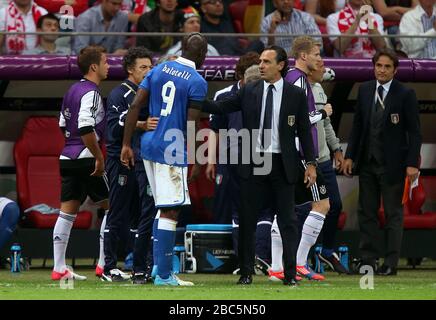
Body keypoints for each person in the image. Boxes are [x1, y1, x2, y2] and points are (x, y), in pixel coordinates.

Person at [202, 45, 317, 286]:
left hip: (282, 164)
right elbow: (222, 107)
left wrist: (311, 163)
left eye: (266, 62)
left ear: (281, 65)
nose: (261, 66)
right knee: (247, 219)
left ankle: (289, 275)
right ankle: (246, 273)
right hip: (254, 163)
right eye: (261, 61)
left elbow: (305, 131)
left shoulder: (294, 94)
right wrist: (193, 100)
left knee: (287, 221)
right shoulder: (250, 89)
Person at [121, 32, 208, 286]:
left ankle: (160, 267)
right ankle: (165, 275)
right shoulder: (197, 80)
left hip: (147, 145)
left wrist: (127, 143)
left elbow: (135, 106)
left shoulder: (159, 69)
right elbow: (191, 124)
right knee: (171, 210)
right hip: (171, 148)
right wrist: (196, 157)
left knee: (162, 207)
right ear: (202, 55)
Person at [342, 48, 422, 276]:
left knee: (392, 214)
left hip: (394, 165)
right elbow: (357, 127)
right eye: (379, 66)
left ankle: (391, 262)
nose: (382, 70)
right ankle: (368, 260)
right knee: (366, 213)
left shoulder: (405, 94)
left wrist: (412, 163)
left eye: (387, 66)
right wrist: (350, 156)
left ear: (395, 70)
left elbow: (415, 133)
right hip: (367, 162)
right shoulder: (365, 90)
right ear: (373, 67)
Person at [269, 36, 330, 281]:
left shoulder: (294, 79)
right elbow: (297, 122)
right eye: (316, 54)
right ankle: (298, 262)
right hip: (301, 155)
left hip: (294, 154)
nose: (320, 59)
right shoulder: (297, 80)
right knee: (322, 204)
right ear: (303, 56)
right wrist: (323, 113)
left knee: (287, 207)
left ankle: (277, 267)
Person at [206, 55, 273, 274]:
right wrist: (212, 159)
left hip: (240, 159)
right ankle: (256, 260)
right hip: (252, 158)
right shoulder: (272, 94)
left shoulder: (241, 96)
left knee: (246, 211)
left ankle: (250, 261)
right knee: (261, 211)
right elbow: (216, 129)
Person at [52, 45, 110, 281]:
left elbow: (62, 125)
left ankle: (59, 267)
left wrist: (73, 145)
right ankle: (104, 264)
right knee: (112, 208)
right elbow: (86, 126)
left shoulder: (71, 90)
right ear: (94, 66)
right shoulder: (92, 92)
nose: (108, 66)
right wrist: (98, 156)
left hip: (67, 157)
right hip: (87, 157)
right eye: (105, 62)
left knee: (66, 213)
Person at [102, 47, 156, 283]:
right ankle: (108, 266)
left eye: (150, 66)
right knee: (117, 212)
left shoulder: (149, 93)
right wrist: (141, 124)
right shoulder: (119, 94)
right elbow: (112, 128)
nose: (148, 71)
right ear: (130, 70)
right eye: (143, 67)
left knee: (140, 214)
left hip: (143, 161)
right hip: (119, 160)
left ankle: (138, 264)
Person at [308, 62, 349, 274]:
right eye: (318, 59)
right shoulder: (297, 87)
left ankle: (326, 249)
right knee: (305, 208)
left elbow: (325, 124)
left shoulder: (319, 89)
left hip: (324, 158)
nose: (323, 65)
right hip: (307, 160)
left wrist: (337, 149)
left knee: (335, 205)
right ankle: (302, 256)